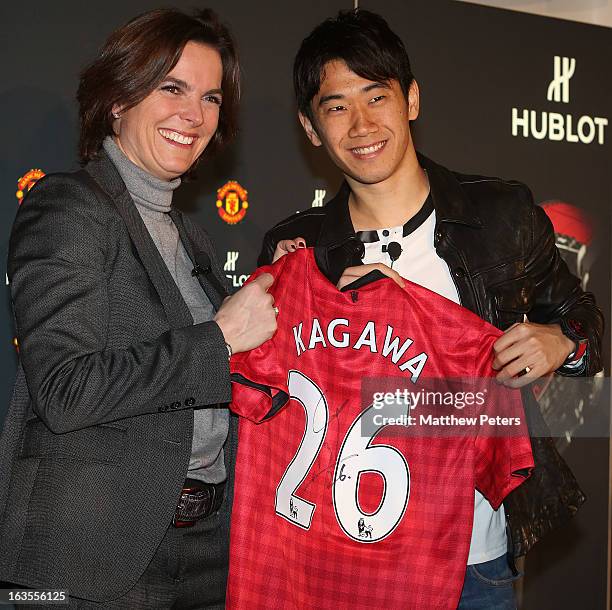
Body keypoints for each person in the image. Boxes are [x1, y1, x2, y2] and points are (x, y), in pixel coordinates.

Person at [259, 9, 603, 609]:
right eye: (336, 106)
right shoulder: (299, 247)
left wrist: (561, 342)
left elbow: (587, 324)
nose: (362, 124)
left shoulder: (499, 216)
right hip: (338, 560)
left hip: (473, 562)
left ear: (411, 99)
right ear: (311, 129)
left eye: (377, 96)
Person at [0, 8, 276, 608]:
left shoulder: (188, 237)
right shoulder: (69, 206)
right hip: (90, 553)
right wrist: (220, 338)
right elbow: (65, 391)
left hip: (206, 547)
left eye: (209, 97)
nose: (194, 115)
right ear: (119, 99)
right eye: (171, 88)